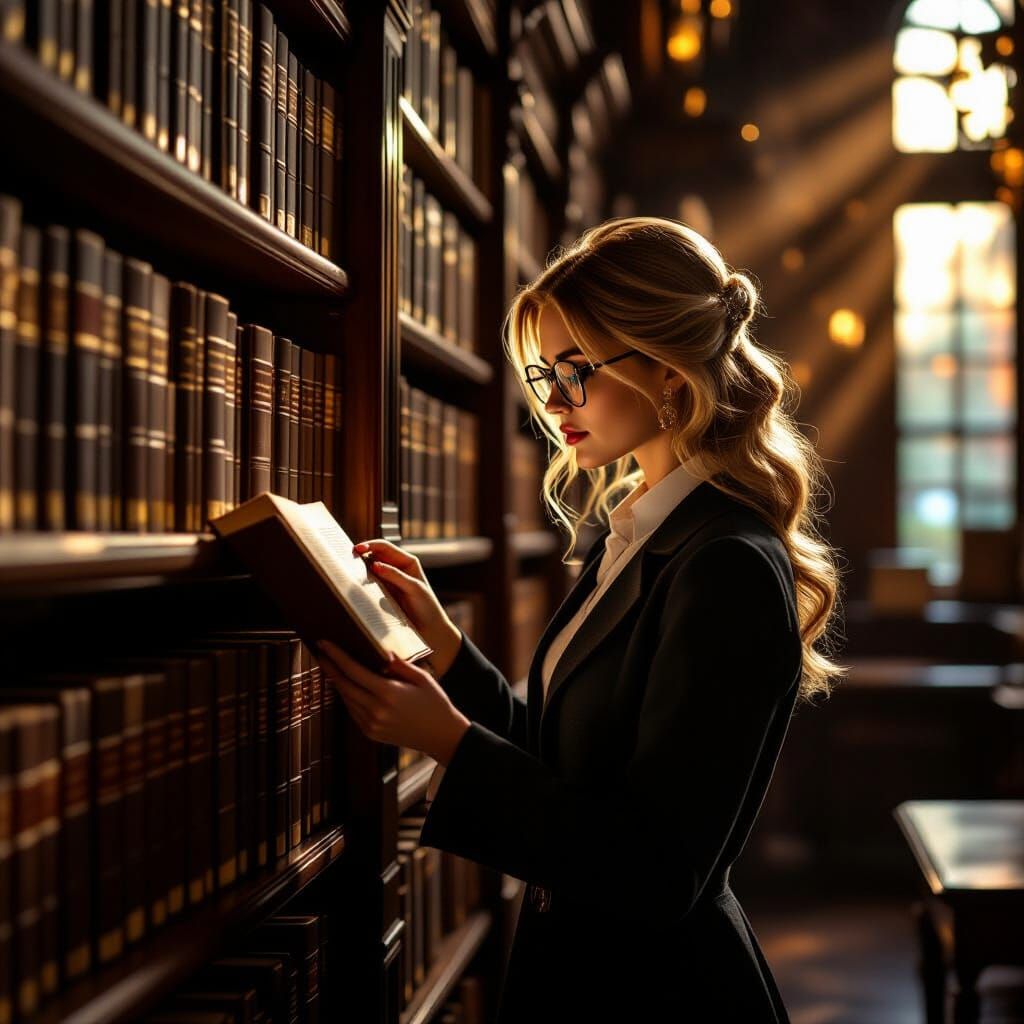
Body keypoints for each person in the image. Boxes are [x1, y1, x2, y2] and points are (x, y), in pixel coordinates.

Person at [316, 216, 845, 1022]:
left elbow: (657, 869)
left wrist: (449, 741)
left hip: (663, 996)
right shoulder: (634, 532)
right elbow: (575, 766)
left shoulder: (725, 565)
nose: (555, 401)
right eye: (544, 372)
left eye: (577, 370)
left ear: (667, 371)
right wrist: (451, 654)